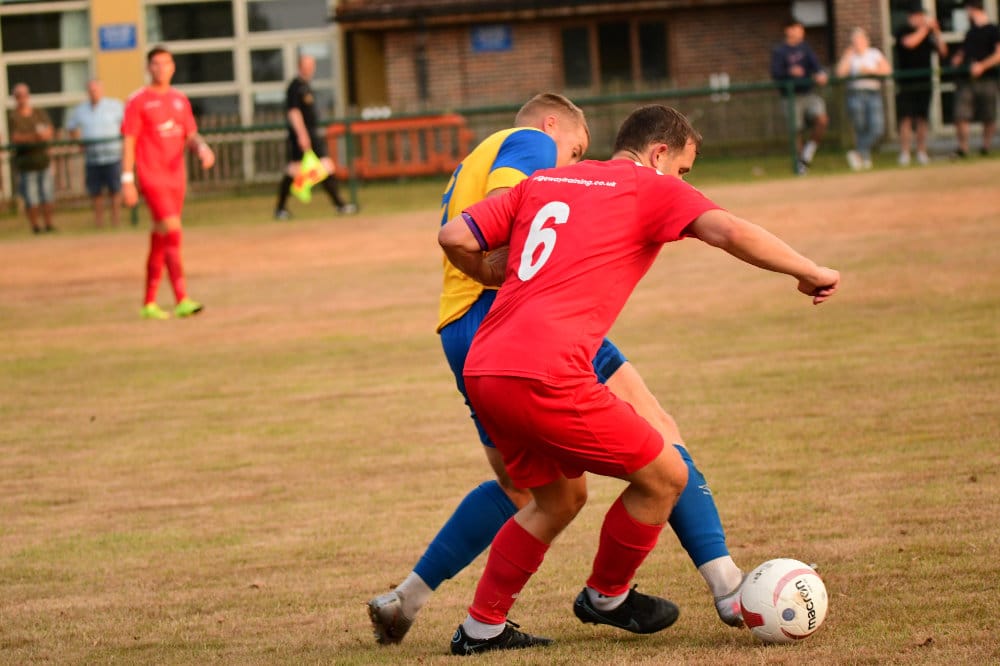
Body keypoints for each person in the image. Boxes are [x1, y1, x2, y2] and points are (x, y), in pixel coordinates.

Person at [437, 104, 840, 655]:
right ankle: (606, 595)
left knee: (556, 500)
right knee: (666, 475)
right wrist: (811, 271)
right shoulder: (648, 186)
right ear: (658, 153)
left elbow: (455, 235)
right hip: (547, 373)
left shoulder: (547, 180)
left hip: (486, 367)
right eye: (683, 170)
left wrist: (489, 271)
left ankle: (480, 629)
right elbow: (728, 230)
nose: (682, 183)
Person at [367, 94, 751, 647]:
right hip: (523, 314)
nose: (574, 163)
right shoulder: (531, 142)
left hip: (463, 330)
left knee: (532, 491)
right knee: (660, 436)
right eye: (574, 151)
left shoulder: (478, 153)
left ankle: (407, 599)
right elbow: (510, 215)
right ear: (553, 126)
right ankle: (725, 586)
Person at [121, 45, 215, 320]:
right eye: (156, 63)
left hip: (176, 178)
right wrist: (127, 179)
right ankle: (182, 298)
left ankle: (149, 303)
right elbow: (129, 141)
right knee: (173, 231)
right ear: (148, 67)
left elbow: (191, 134)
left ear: (173, 67)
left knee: (160, 237)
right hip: (152, 176)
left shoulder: (179, 100)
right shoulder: (138, 101)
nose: (161, 68)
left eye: (166, 63)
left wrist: (203, 148)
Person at [273, 54, 356, 219]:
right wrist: (302, 135)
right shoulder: (295, 87)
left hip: (311, 134)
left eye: (312, 65)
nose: (310, 69)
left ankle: (338, 204)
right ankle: (283, 206)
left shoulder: (306, 86)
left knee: (324, 167)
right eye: (307, 65)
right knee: (297, 169)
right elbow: (294, 112)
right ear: (300, 66)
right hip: (302, 136)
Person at [771, 17, 830, 175]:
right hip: (790, 97)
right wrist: (789, 72)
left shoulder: (805, 48)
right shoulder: (779, 51)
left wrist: (820, 74)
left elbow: (816, 67)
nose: (801, 32)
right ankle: (800, 165)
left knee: (822, 120)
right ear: (788, 30)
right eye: (798, 29)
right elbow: (776, 73)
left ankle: (807, 154)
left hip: (808, 94)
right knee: (795, 130)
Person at [66, 79, 125, 227]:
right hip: (92, 157)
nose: (94, 93)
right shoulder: (81, 109)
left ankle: (115, 220)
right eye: (91, 90)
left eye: (96, 90)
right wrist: (79, 143)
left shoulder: (115, 106)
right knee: (95, 191)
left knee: (115, 189)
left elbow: (126, 124)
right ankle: (99, 222)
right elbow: (71, 127)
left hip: (112, 155)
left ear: (101, 90)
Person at [894, 3, 947, 166]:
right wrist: (925, 29)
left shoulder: (929, 34)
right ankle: (905, 152)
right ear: (911, 16)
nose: (922, 19)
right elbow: (909, 43)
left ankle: (921, 151)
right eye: (919, 16)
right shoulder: (902, 30)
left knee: (922, 118)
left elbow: (943, 52)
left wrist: (936, 32)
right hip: (907, 83)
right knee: (906, 118)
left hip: (924, 81)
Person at [835, 27, 892, 170]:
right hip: (855, 94)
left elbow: (887, 70)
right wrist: (847, 56)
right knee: (860, 127)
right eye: (855, 40)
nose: (858, 43)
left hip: (873, 93)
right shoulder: (850, 55)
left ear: (867, 40)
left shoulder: (874, 53)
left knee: (877, 128)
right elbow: (840, 73)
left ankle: (858, 152)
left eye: (860, 39)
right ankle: (864, 158)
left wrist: (871, 71)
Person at [949, 0, 1000, 158]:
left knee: (988, 115)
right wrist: (958, 58)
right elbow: (964, 51)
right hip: (967, 80)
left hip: (988, 79)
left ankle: (985, 147)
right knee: (961, 114)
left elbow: (999, 54)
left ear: (972, 9)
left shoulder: (993, 30)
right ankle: (963, 148)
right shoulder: (970, 32)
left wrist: (982, 66)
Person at [7, 83, 56, 234]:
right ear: (15, 98)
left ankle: (49, 225)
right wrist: (36, 136)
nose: (22, 98)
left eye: (24, 95)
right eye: (18, 96)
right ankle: (35, 227)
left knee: (47, 194)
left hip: (43, 160)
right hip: (26, 163)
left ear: (28, 96)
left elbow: (49, 131)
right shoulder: (13, 116)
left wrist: (34, 137)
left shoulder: (39, 113)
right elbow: (16, 138)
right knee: (31, 197)